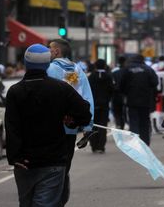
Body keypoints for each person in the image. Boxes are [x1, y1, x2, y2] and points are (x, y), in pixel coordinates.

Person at [6, 44, 92, 207]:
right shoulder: (60, 89)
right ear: (47, 64)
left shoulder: (15, 92)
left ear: (25, 63)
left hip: (25, 161)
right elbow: (84, 113)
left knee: (26, 202)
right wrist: (72, 120)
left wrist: (15, 157)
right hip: (53, 159)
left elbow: (12, 127)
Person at [47, 39, 94, 206]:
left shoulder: (50, 69)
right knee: (65, 166)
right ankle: (61, 198)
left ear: (57, 52)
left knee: (50, 166)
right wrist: (88, 125)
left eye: (50, 49)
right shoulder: (77, 70)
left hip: (52, 127)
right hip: (71, 128)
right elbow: (87, 97)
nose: (48, 52)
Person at [119, 54, 158, 146]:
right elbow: (155, 82)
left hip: (131, 100)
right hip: (145, 101)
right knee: (144, 122)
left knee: (133, 121)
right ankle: (145, 143)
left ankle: (135, 143)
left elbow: (121, 84)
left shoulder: (127, 69)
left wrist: (126, 92)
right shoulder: (148, 69)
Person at [87, 59, 114, 153]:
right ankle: (101, 146)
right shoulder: (108, 76)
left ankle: (94, 145)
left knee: (93, 125)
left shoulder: (91, 76)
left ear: (95, 66)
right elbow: (112, 90)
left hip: (93, 105)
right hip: (104, 105)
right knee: (103, 125)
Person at [111, 56, 127, 129]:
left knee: (117, 112)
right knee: (124, 111)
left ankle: (119, 124)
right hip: (125, 95)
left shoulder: (115, 73)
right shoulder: (128, 72)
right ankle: (123, 124)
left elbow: (112, 85)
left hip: (116, 95)